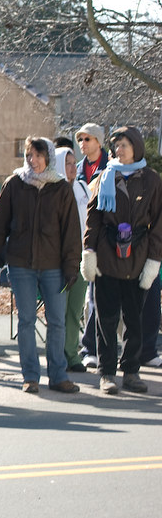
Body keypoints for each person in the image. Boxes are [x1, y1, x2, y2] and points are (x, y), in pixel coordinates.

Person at [0, 136, 81, 394]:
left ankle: (58, 376)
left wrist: (72, 266)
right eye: (28, 156)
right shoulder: (14, 184)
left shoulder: (61, 188)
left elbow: (71, 233)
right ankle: (30, 376)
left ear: (49, 157)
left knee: (56, 321)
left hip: (54, 266)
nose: (33, 161)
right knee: (25, 320)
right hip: (21, 264)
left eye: (38, 155)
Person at [81, 126, 162, 395]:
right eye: (117, 145)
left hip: (137, 256)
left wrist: (153, 260)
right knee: (106, 317)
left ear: (136, 147)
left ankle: (131, 371)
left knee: (134, 318)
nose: (119, 150)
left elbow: (159, 223)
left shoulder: (151, 179)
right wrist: (89, 253)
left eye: (125, 145)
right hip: (107, 254)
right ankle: (107, 374)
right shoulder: (105, 176)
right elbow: (93, 219)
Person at [54, 145, 92, 373]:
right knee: (59, 308)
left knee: (75, 309)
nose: (72, 167)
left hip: (80, 257)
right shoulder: (53, 190)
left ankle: (71, 354)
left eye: (74, 163)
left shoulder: (82, 188)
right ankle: (58, 354)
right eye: (67, 163)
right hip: (57, 258)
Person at [74, 123, 107, 368]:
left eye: (87, 139)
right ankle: (86, 348)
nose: (82, 143)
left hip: (104, 240)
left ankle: (95, 348)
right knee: (85, 296)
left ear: (99, 141)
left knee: (98, 297)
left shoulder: (111, 167)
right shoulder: (74, 170)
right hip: (77, 239)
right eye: (80, 139)